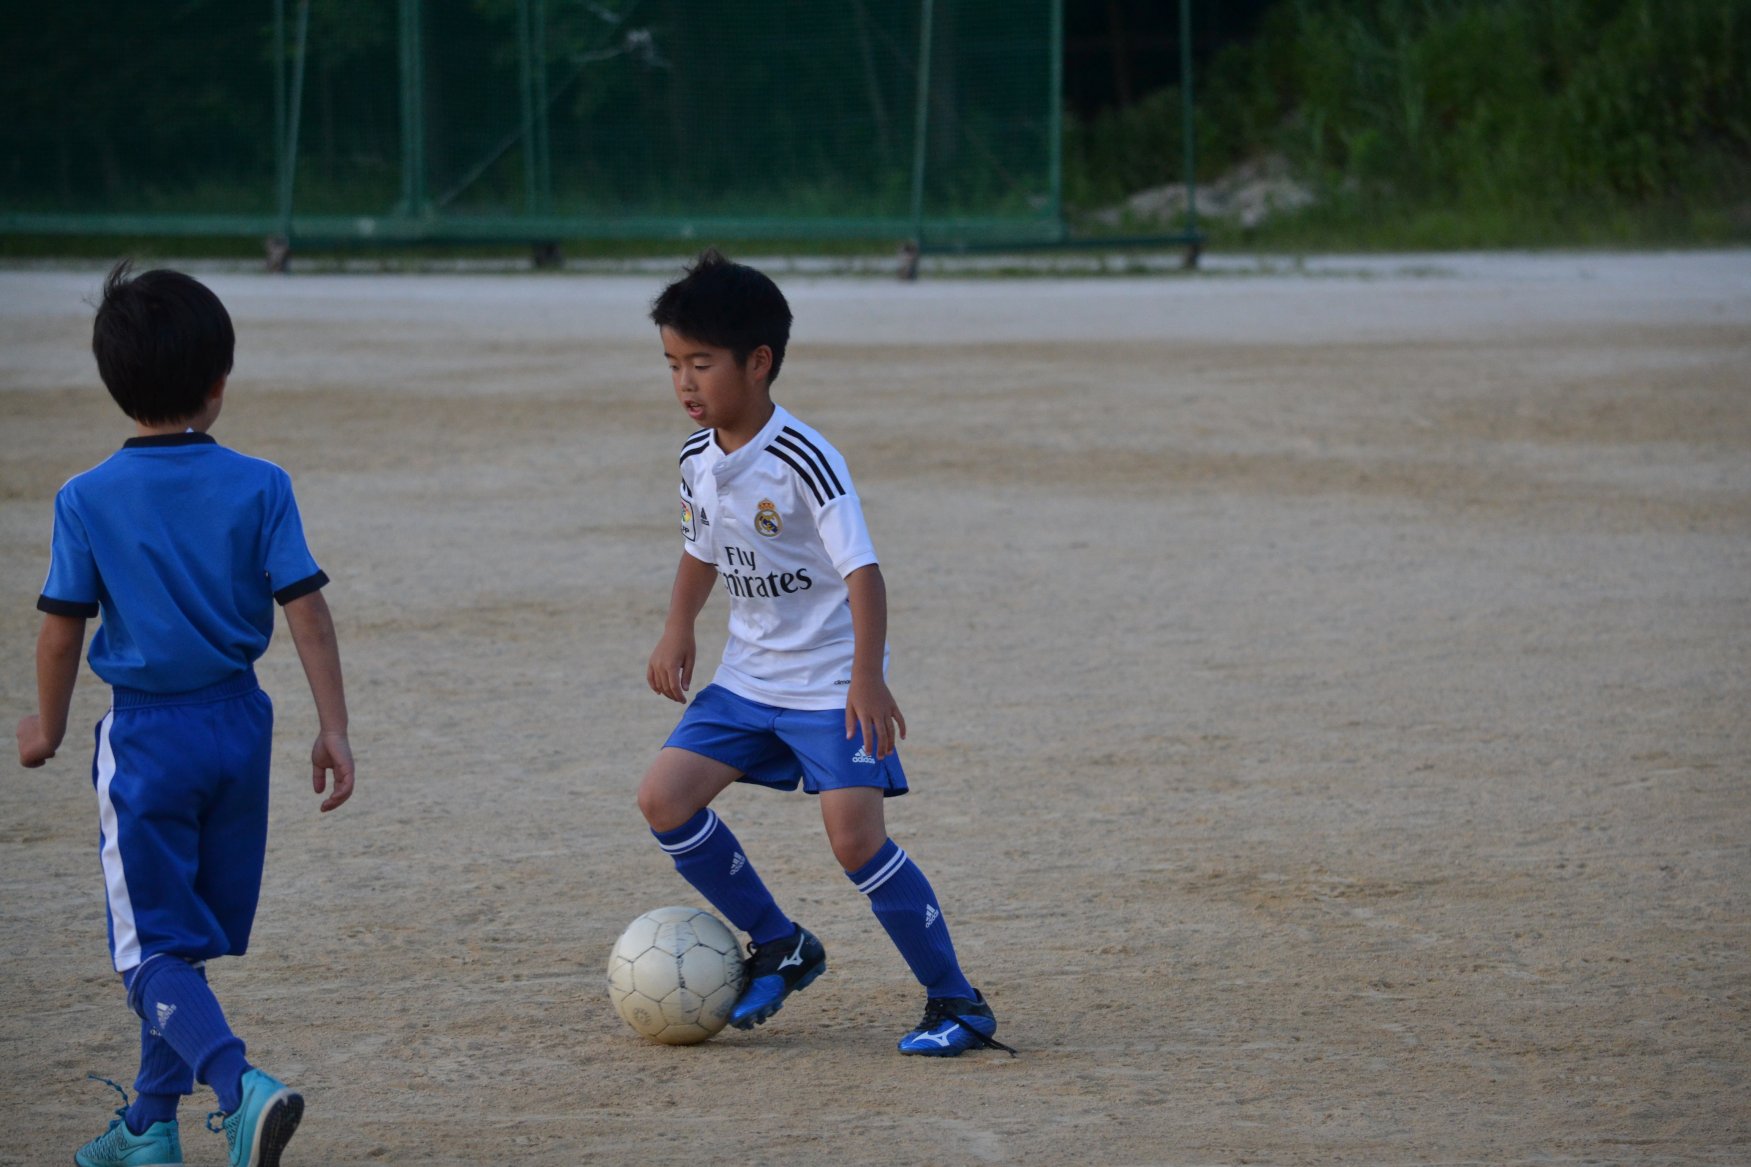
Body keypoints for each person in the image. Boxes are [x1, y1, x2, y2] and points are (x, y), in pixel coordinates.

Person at [15, 261, 355, 1166]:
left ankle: (240, 1088)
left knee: (148, 952)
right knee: (181, 937)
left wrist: (45, 727)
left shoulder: (86, 496)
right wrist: (334, 726)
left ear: (114, 382)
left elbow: (60, 630)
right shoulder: (261, 482)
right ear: (218, 383)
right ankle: (147, 1128)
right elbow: (306, 610)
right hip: (240, 728)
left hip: (149, 736)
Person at [637, 249, 1012, 1057]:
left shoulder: (805, 456)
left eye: (701, 363)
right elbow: (701, 550)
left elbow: (863, 572)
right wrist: (679, 627)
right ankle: (780, 943)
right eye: (673, 364)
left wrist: (867, 678)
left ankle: (958, 1003)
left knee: (854, 840)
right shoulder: (694, 459)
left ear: (758, 361)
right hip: (745, 680)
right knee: (665, 799)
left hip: (828, 686)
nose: (685, 383)